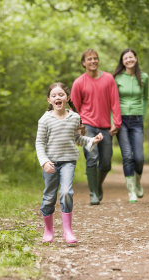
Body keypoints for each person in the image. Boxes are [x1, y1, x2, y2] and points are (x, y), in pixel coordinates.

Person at [36, 82, 103, 244]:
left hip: (68, 162)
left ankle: (67, 231)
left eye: (61, 94)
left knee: (66, 192)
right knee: (49, 197)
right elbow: (39, 143)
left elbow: (77, 138)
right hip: (50, 163)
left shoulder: (74, 117)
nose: (57, 97)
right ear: (49, 100)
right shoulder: (45, 120)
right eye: (54, 96)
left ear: (66, 98)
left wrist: (92, 141)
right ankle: (49, 230)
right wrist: (44, 162)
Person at [71, 49, 122, 205]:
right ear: (83, 63)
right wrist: (78, 127)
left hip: (105, 127)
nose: (93, 61)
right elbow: (74, 108)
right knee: (92, 157)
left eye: (95, 58)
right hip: (87, 126)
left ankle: (97, 185)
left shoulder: (108, 79)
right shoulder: (79, 82)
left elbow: (115, 101)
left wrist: (117, 122)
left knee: (106, 162)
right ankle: (93, 193)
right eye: (89, 59)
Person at [113, 48, 149, 203]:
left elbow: (146, 97)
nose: (128, 60)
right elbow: (112, 101)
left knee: (139, 157)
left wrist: (143, 113)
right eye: (125, 58)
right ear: (122, 61)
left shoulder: (144, 77)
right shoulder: (117, 78)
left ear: (135, 58)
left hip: (137, 120)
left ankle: (138, 181)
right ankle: (131, 191)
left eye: (131, 57)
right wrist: (113, 121)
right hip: (121, 120)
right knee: (127, 156)